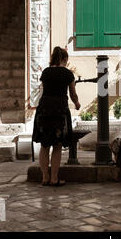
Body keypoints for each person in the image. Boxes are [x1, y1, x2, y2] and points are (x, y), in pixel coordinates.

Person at [32, 46, 81, 186]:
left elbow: (44, 89)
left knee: (45, 144)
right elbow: (73, 94)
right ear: (64, 59)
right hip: (59, 109)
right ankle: (54, 178)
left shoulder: (46, 72)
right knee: (58, 145)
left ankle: (45, 178)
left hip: (44, 109)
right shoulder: (67, 74)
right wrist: (77, 103)